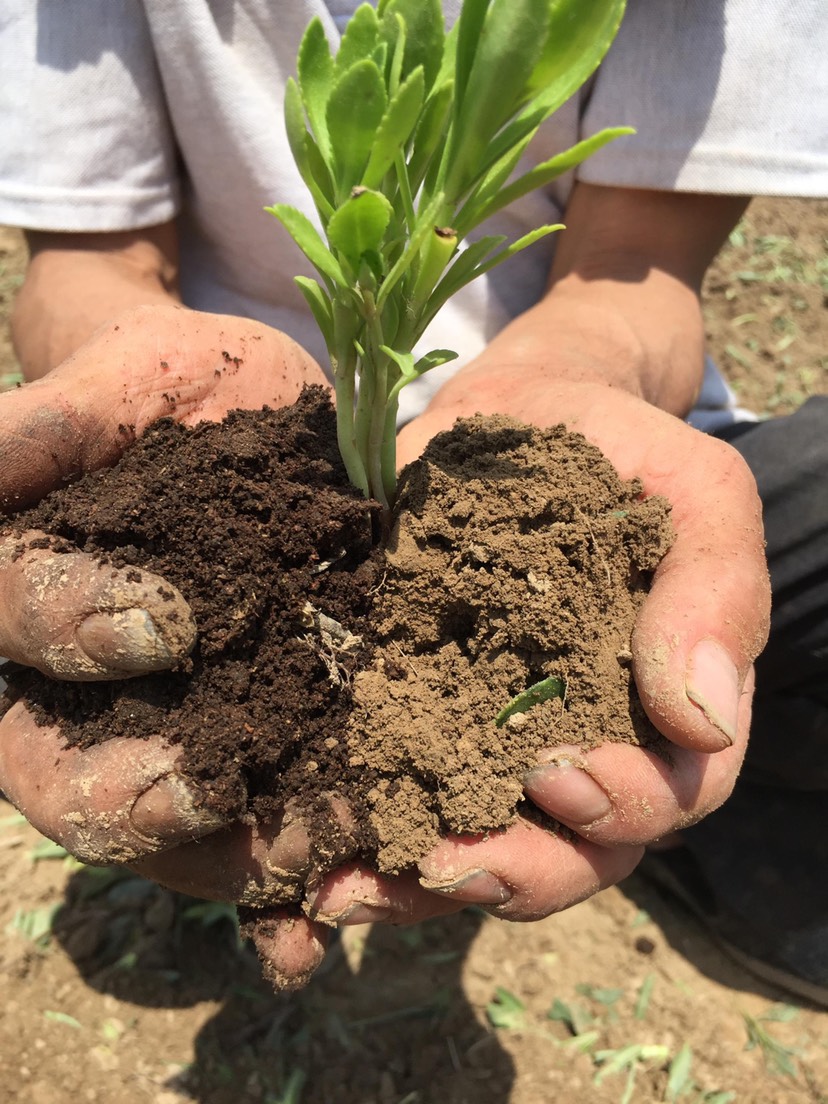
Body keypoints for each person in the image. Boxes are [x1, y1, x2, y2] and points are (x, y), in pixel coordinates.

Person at [0, 0, 825, 999]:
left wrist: (583, 370)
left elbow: (629, 271)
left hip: (542, 449)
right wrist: (139, 380)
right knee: (170, 713)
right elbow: (89, 258)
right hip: (259, 417)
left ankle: (737, 807)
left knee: (675, 624)